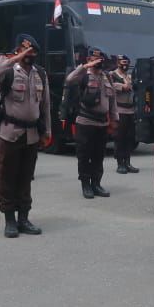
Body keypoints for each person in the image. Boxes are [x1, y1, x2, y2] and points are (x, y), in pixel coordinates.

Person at [0, 34, 51, 238]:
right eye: (25, 51)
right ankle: (10, 220)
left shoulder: (40, 73)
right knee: (6, 176)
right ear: (18, 50)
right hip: (9, 133)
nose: (29, 55)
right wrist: (12, 59)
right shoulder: (7, 70)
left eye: (32, 52)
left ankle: (24, 218)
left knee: (25, 177)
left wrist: (47, 131)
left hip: (31, 134)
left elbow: (46, 106)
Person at [65, 47, 116, 199]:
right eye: (93, 59)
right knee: (84, 154)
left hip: (102, 123)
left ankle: (96, 183)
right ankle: (85, 184)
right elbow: (69, 80)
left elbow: (112, 100)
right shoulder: (82, 75)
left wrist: (114, 119)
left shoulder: (107, 76)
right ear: (88, 60)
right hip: (85, 122)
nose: (97, 62)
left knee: (98, 155)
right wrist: (84, 67)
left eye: (99, 59)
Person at [109, 54, 140, 175]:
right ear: (118, 63)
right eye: (123, 62)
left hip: (131, 110)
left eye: (127, 62)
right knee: (119, 138)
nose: (125, 64)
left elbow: (134, 88)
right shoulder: (112, 75)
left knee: (130, 137)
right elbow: (110, 86)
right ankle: (120, 163)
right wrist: (122, 86)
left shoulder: (130, 76)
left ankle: (128, 162)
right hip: (119, 110)